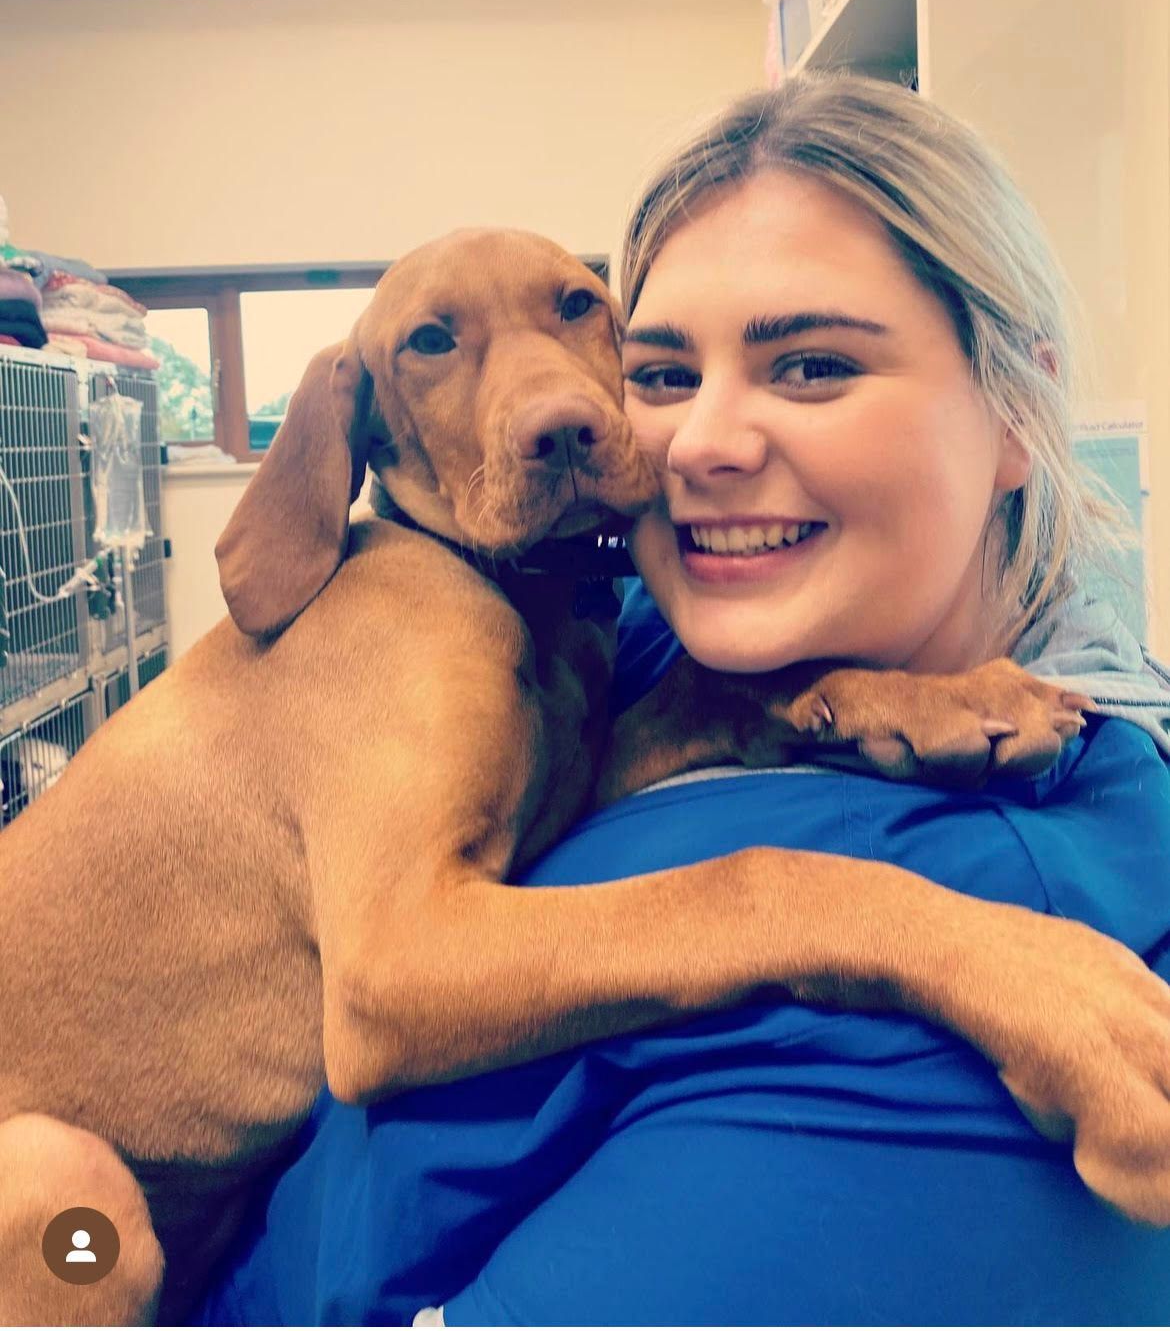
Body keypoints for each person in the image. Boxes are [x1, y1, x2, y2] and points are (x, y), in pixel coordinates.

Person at [199, 75, 1170, 1325]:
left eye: (814, 363)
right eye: (660, 373)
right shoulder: (649, 632)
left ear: (1020, 408)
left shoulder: (998, 959)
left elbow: (389, 1002)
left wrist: (851, 914)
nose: (702, 443)